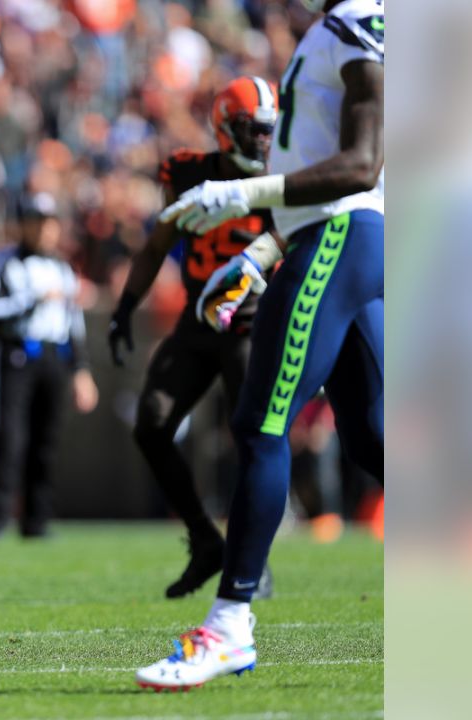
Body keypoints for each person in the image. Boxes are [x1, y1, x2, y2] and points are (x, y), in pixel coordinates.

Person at [135, 0, 383, 690]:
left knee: (260, 423)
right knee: (371, 435)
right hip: (345, 236)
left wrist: (243, 195)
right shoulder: (346, 29)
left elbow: (363, 166)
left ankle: (229, 626)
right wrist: (259, 253)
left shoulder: (359, 21)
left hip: (339, 235)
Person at [108, 76, 279, 599]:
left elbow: (295, 239)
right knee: (152, 424)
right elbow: (159, 241)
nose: (263, 143)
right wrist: (125, 307)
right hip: (198, 322)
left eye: (268, 132)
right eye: (253, 131)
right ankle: (206, 539)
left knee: (253, 437)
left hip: (253, 322)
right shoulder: (185, 172)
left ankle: (252, 559)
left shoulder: (279, 179)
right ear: (226, 130)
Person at [0, 193, 98, 538]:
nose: (44, 230)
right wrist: (29, 301)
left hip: (54, 357)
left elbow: (74, 323)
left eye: (49, 223)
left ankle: (37, 520)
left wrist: (82, 370)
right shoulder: (5, 262)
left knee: (46, 440)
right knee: (11, 438)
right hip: (18, 355)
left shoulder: (63, 268)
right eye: (37, 222)